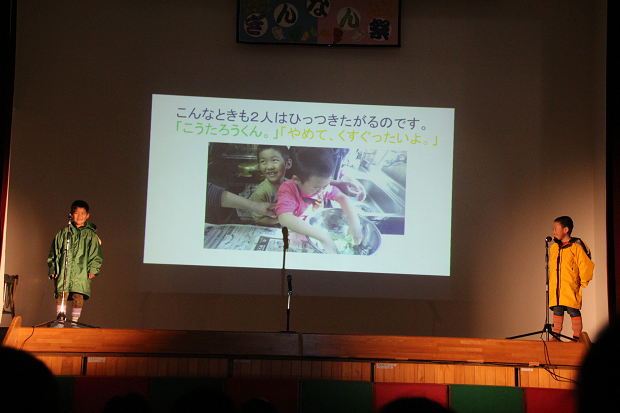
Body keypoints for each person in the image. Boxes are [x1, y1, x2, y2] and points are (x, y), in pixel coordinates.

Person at [276, 147, 363, 254]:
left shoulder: (321, 186)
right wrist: (323, 237)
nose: (321, 191)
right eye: (316, 188)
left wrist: (355, 222)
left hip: (316, 233)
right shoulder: (288, 189)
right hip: (295, 234)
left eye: (326, 185)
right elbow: (284, 217)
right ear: (297, 180)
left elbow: (342, 197)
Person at [47, 200, 103, 328]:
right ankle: (60, 321)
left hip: (81, 271)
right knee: (62, 294)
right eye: (76, 213)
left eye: (83, 213)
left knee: (79, 295)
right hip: (64, 270)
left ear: (87, 215)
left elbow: (96, 253)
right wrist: (54, 269)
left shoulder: (91, 235)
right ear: (71, 214)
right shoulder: (64, 233)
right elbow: (54, 252)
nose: (79, 216)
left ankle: (74, 322)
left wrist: (93, 269)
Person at [549, 216, 594, 341]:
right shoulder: (554, 247)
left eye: (555, 228)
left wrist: (583, 280)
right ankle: (556, 335)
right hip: (556, 286)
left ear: (566, 229)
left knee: (573, 310)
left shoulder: (576, 245)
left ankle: (577, 336)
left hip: (570, 285)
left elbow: (585, 264)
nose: (553, 231)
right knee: (557, 310)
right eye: (553, 229)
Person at [250, 145, 292, 226]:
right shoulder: (261, 192)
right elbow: (258, 219)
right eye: (263, 161)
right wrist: (282, 219)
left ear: (288, 164)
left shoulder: (292, 186)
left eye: (274, 160)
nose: (269, 167)